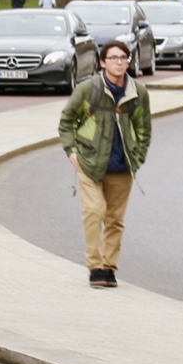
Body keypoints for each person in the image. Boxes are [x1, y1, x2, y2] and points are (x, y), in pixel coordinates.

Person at [57, 38, 151, 288]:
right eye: (114, 58)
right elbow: (67, 121)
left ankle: (109, 268)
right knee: (94, 211)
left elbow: (144, 128)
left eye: (124, 58)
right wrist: (72, 150)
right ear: (102, 62)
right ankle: (95, 266)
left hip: (122, 167)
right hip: (90, 163)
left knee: (115, 219)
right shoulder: (89, 89)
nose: (119, 63)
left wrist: (138, 156)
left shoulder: (138, 92)